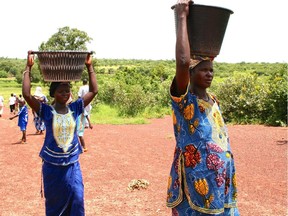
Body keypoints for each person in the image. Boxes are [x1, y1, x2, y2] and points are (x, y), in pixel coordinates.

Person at [166, 1, 239, 215]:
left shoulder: (213, 99)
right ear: (189, 72)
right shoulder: (185, 100)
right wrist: (182, 17)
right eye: (203, 70)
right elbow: (182, 61)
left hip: (220, 182)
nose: (209, 74)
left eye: (211, 70)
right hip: (196, 180)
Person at [22, 51, 98, 215]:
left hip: (72, 165)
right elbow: (27, 95)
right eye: (61, 91)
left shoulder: (75, 108)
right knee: (56, 207)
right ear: (53, 93)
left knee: (77, 198)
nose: (65, 93)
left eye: (67, 90)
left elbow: (94, 91)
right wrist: (28, 67)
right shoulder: (46, 111)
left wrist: (89, 66)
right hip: (52, 168)